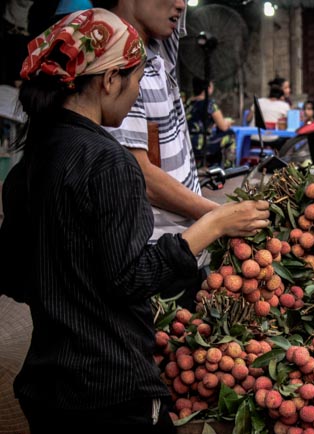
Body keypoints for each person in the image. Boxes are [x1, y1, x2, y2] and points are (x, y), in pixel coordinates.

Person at [0, 9, 270, 434]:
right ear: (108, 82)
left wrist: (68, 287)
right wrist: (213, 226)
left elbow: (12, 275)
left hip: (49, 391)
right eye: (136, 78)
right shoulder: (109, 163)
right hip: (111, 397)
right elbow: (131, 277)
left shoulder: (31, 161)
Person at [92, 0, 222, 305]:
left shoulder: (160, 47)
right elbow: (141, 176)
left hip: (183, 246)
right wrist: (218, 218)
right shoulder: (117, 64)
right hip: (154, 256)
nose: (181, 5)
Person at [185, 77, 235, 167]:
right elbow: (223, 126)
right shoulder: (209, 104)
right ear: (207, 88)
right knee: (230, 134)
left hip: (186, 143)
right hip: (201, 144)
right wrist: (228, 122)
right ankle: (229, 168)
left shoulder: (187, 103)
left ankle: (208, 163)